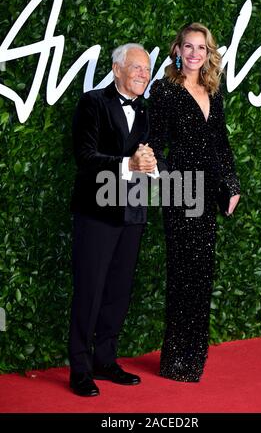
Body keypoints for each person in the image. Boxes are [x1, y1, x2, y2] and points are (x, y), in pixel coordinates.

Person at [148, 23, 240, 382]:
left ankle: (194, 359)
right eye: (188, 46)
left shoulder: (213, 91)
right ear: (178, 49)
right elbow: (154, 143)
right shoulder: (165, 90)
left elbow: (220, 144)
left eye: (201, 48)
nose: (194, 53)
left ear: (208, 53)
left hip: (208, 191)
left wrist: (230, 185)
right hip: (180, 190)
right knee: (182, 273)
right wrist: (168, 180)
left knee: (201, 276)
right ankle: (175, 361)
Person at [69, 43, 157, 396]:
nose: (143, 75)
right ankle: (79, 366)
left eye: (147, 70)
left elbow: (148, 156)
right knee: (89, 290)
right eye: (137, 67)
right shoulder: (92, 103)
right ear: (117, 69)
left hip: (133, 212)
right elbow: (85, 157)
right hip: (96, 213)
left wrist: (151, 166)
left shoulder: (146, 110)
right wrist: (128, 164)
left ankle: (105, 359)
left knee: (118, 292)